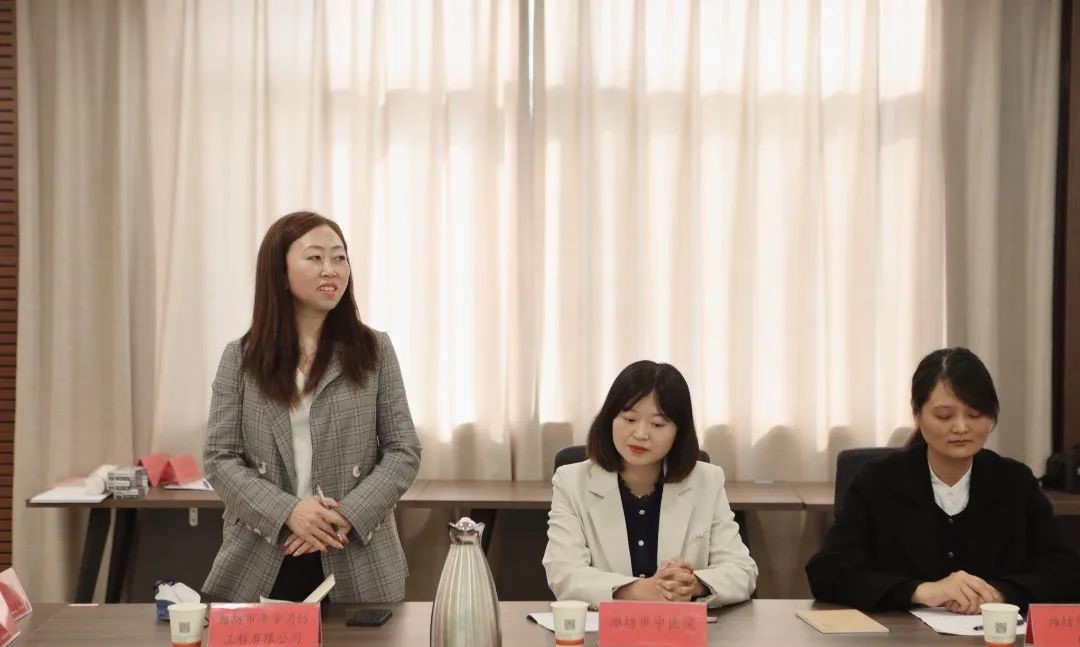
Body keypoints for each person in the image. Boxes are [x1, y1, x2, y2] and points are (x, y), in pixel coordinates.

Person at [202, 211, 422, 603]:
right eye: (315, 257)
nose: (331, 270)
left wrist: (346, 515)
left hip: (354, 548)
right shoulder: (240, 358)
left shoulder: (375, 350)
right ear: (280, 274)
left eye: (339, 257)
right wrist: (289, 512)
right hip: (265, 549)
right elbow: (220, 459)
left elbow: (403, 451)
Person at [806, 347, 1080, 613]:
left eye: (974, 414)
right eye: (944, 416)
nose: (961, 427)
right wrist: (923, 591)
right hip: (899, 635)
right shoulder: (877, 481)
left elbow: (1065, 572)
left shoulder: (1015, 483)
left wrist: (997, 594)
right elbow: (828, 571)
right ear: (917, 414)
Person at [543, 360, 758, 608]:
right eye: (629, 419)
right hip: (604, 628)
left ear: (679, 432)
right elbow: (564, 573)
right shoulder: (571, 481)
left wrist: (691, 584)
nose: (641, 434)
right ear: (609, 419)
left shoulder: (707, 480)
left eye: (657, 424)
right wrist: (642, 590)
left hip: (681, 628)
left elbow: (742, 570)